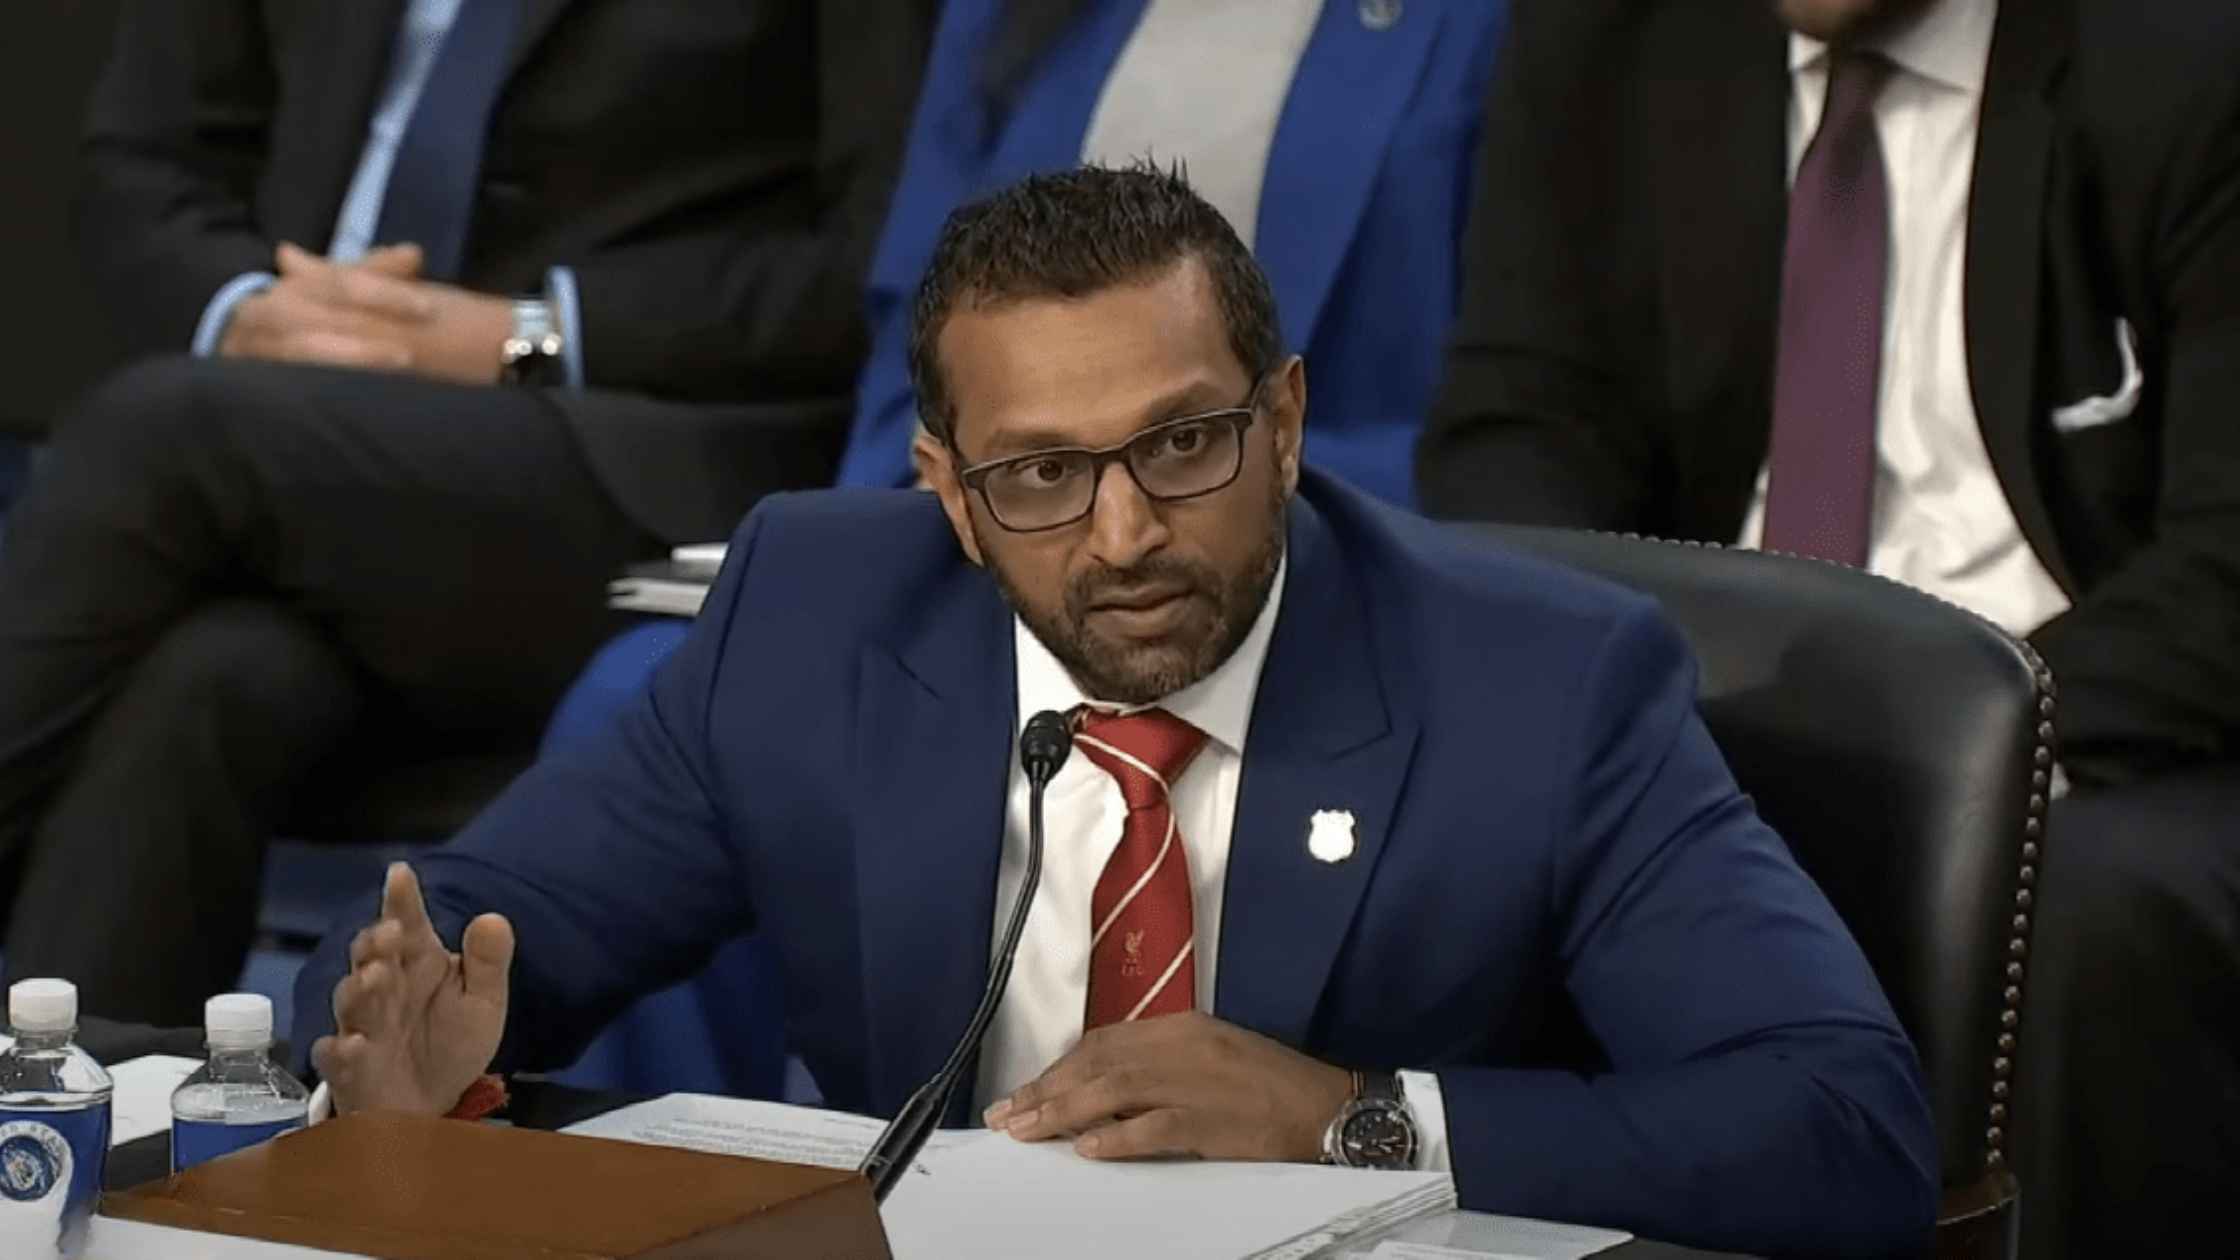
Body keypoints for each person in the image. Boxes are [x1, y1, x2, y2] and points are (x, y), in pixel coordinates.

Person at [297, 166, 1936, 1258]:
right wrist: (403, 1041)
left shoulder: (1542, 686)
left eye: (1183, 444)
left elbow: (1841, 1123)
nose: (1126, 533)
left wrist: (1351, 1120)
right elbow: (457, 935)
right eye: (1039, 475)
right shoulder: (812, 618)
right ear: (948, 493)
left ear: (1284, 423)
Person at [1413, 2, 2240, 1256]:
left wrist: (1962, 759)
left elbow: (2221, 565)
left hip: (2102, 722)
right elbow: (1520, 426)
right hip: (1707, 697)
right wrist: (1602, 713)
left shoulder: (2186, 59)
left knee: (2075, 912)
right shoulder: (1605, 36)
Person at [0, 0, 936, 1025]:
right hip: (297, 432)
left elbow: (883, 254)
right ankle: (65, 1104)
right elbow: (143, 156)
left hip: (628, 458)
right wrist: (247, 310)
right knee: (216, 679)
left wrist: (531, 334)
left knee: (166, 432)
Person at [832, 0, 1509, 507]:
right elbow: (912, 334)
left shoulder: (1493, 23)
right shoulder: (1002, 14)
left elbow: (1513, 429)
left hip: (1331, 556)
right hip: (990, 545)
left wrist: (1174, 475)